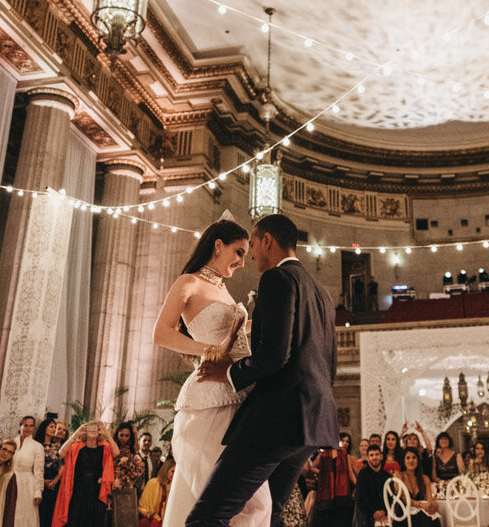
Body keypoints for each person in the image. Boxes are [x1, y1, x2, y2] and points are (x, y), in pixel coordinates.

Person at [187, 214, 339, 525]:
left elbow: (273, 356)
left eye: (253, 245)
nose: (252, 255)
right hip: (314, 423)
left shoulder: (276, 278)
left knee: (206, 518)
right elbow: (329, 365)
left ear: (267, 240)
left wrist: (228, 372)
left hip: (276, 420)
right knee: (270, 516)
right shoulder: (322, 293)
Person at [151, 219, 274, 525]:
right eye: (238, 252)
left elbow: (237, 335)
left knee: (249, 499)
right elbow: (162, 334)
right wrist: (208, 350)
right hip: (208, 400)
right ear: (218, 245)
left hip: (238, 396)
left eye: (246, 255)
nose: (243, 262)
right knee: (234, 499)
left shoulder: (224, 290)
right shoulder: (188, 283)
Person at [52, 421, 117, 527]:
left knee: (94, 521)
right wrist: (76, 433)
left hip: (96, 492)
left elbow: (116, 452)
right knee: (76, 520)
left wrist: (107, 434)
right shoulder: (76, 447)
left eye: (95, 428)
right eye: (90, 428)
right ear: (85, 431)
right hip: (78, 491)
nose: (92, 430)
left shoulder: (104, 448)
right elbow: (61, 453)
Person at [0, 415, 44, 527]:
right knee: (3, 512)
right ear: (20, 426)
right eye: (25, 425)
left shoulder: (37, 447)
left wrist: (38, 491)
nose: (28, 428)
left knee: (21, 515)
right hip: (6, 480)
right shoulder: (11, 443)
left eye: (31, 426)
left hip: (26, 485)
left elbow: (39, 471)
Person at [311, 434, 356, 527]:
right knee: (328, 520)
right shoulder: (323, 454)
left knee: (341, 520)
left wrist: (358, 485)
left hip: (341, 491)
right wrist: (323, 473)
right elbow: (313, 467)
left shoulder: (344, 453)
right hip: (327, 492)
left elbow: (350, 472)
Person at [393, 448, 438, 526]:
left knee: (432, 518)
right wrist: (421, 505)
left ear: (418, 460)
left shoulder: (425, 478)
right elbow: (404, 498)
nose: (411, 461)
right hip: (404, 513)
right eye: (408, 458)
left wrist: (431, 505)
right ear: (404, 461)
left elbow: (429, 499)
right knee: (424, 520)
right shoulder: (399, 476)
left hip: (420, 513)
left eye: (414, 457)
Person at [34, 415, 63, 527]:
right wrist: (43, 482)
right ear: (44, 428)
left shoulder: (57, 447)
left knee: (49, 514)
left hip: (53, 483)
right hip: (39, 481)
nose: (54, 429)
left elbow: (62, 467)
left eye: (55, 427)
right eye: (51, 426)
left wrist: (54, 481)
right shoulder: (37, 445)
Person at [354, 444, 390, 527]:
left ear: (381, 456)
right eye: (371, 455)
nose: (374, 457)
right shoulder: (363, 474)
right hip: (367, 516)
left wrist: (384, 511)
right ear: (367, 458)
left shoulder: (387, 476)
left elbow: (390, 497)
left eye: (377, 454)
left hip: (385, 515)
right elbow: (360, 498)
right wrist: (373, 513)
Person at [139, 459, 176, 527]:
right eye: (172, 471)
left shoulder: (175, 488)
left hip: (165, 520)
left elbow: (169, 514)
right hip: (150, 518)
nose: (174, 475)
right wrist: (150, 514)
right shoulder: (153, 482)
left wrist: (168, 492)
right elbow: (143, 506)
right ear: (166, 471)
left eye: (176, 473)